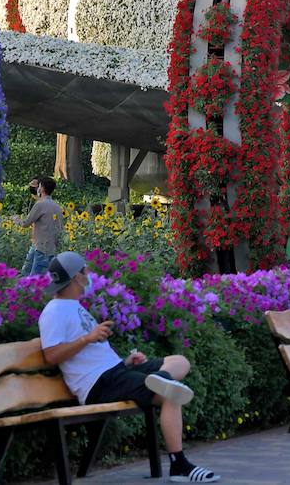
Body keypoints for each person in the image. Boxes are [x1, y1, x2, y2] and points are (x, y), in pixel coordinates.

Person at [39, 252, 220, 483]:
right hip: (98, 384)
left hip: (115, 372)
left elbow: (91, 354)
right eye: (85, 271)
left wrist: (125, 362)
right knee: (171, 393)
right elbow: (51, 355)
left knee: (179, 362)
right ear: (77, 277)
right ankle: (180, 465)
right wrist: (88, 338)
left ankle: (159, 378)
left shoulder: (74, 306)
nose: (89, 275)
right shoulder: (53, 311)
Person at [18, 176, 62, 277]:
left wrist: (17, 220)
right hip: (47, 247)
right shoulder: (56, 206)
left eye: (39, 186)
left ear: (41, 189)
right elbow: (60, 228)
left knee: (34, 279)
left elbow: (25, 223)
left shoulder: (40, 204)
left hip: (42, 248)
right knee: (26, 273)